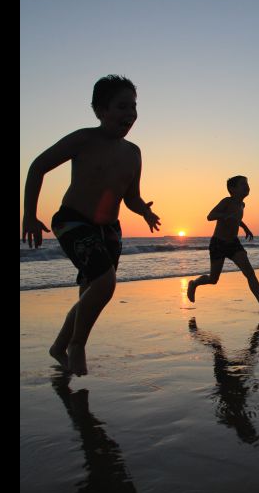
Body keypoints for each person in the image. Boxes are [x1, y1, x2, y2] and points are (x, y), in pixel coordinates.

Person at [22, 75, 161, 374]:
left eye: (134, 107)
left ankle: (59, 346)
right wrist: (29, 215)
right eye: (122, 106)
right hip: (73, 221)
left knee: (92, 293)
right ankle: (77, 344)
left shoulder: (133, 153)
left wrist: (145, 212)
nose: (130, 114)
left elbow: (131, 197)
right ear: (100, 110)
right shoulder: (84, 139)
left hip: (109, 230)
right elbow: (37, 167)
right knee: (105, 283)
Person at [187, 176, 259, 317]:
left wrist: (245, 228)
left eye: (247, 184)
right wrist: (224, 216)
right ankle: (194, 284)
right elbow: (210, 216)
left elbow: (237, 218)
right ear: (232, 189)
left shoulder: (242, 204)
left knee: (250, 273)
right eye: (243, 184)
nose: (247, 186)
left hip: (233, 243)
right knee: (213, 279)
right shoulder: (227, 201)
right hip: (218, 243)